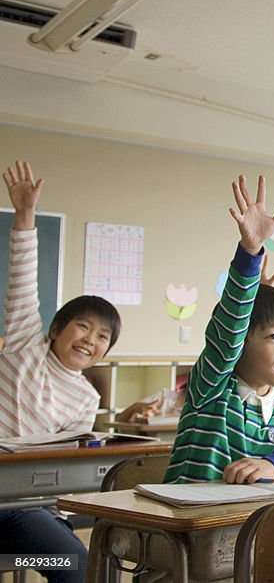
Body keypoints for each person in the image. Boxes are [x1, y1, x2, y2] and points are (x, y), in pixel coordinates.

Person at [0, 160, 122, 582]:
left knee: (74, 565)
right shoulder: (22, 348)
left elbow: (65, 471)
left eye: (102, 336)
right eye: (82, 326)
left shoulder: (87, 397)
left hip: (26, 512)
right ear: (55, 330)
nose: (90, 339)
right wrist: (25, 215)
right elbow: (22, 280)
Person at [163, 174, 274, 484]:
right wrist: (249, 255)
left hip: (243, 528)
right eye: (273, 336)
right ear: (242, 345)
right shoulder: (213, 389)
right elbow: (228, 331)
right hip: (186, 527)